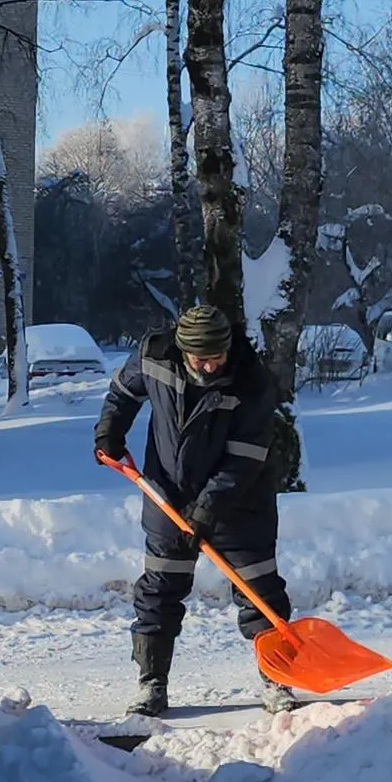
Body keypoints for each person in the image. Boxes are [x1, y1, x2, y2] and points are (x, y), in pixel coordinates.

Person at [92, 305, 299, 717]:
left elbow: (243, 462)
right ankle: (152, 683)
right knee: (159, 590)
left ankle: (277, 679)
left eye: (216, 356)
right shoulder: (154, 354)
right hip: (167, 492)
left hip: (241, 502)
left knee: (259, 592)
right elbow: (123, 392)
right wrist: (109, 432)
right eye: (199, 358)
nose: (208, 365)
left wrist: (206, 512)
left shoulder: (252, 383)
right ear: (182, 350)